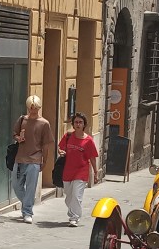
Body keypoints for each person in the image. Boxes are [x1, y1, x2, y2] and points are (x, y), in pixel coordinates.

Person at [12, 95, 54, 224]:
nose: (33, 110)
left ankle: (27, 212)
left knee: (31, 187)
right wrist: (18, 138)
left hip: (35, 159)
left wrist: (44, 161)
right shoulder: (22, 120)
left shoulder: (44, 123)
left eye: (35, 108)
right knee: (16, 185)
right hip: (20, 158)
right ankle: (28, 202)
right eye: (31, 108)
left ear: (39, 107)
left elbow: (46, 144)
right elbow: (14, 134)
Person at [57, 112, 99, 227]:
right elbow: (60, 148)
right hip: (68, 170)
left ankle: (74, 217)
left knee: (76, 195)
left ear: (84, 124)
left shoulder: (88, 140)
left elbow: (92, 158)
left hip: (81, 171)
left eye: (80, 122)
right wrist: (61, 152)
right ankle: (73, 211)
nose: (78, 124)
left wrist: (95, 172)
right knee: (68, 196)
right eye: (76, 122)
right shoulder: (68, 136)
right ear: (73, 124)